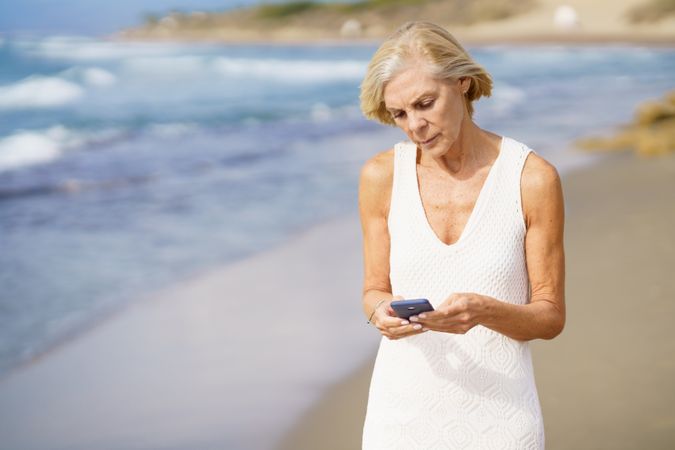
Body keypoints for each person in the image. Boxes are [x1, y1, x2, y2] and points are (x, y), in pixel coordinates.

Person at [358, 21, 565, 449]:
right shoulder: (381, 177)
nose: (414, 125)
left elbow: (549, 317)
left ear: (462, 84)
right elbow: (375, 289)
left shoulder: (531, 178)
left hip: (502, 420)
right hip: (399, 419)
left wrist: (484, 311)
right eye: (399, 114)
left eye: (425, 103)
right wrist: (379, 312)